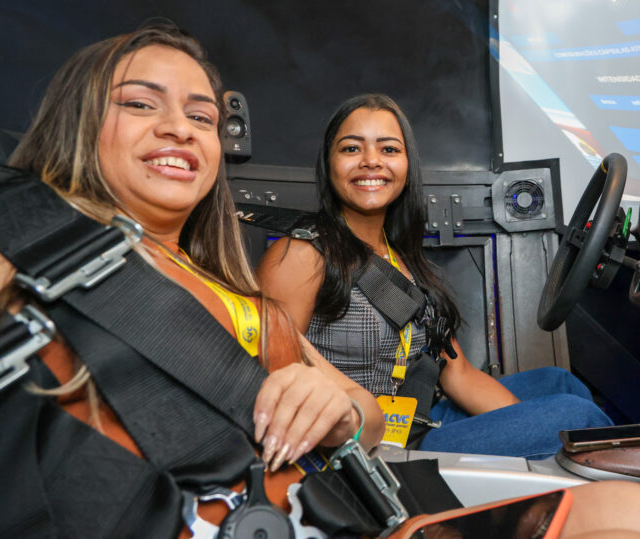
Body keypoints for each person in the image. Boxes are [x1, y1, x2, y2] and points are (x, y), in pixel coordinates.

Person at [0, 24, 640, 538]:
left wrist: (341, 403)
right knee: (579, 425)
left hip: (349, 489)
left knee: (615, 474)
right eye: (141, 103)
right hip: (343, 479)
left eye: (201, 115)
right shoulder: (22, 238)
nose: (179, 127)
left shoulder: (237, 290)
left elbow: (397, 394)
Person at [257, 93, 613, 460]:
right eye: (351, 149)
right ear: (329, 163)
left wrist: (523, 421)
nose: (371, 162)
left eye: (389, 150)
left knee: (561, 383)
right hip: (376, 448)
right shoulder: (299, 255)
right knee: (578, 416)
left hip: (419, 417)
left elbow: (458, 375)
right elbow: (276, 370)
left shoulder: (401, 258)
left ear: (407, 165)